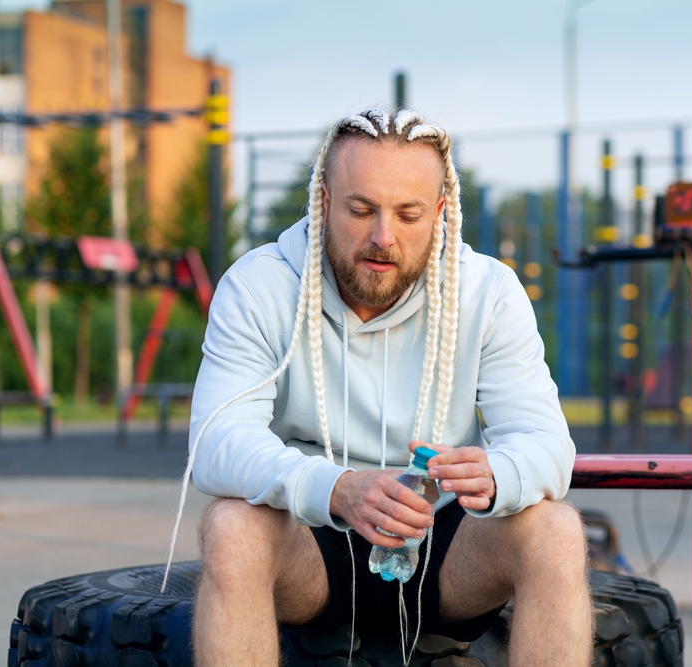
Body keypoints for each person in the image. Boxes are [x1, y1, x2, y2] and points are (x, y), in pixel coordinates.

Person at [184, 109, 591, 666]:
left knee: (557, 531)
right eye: (361, 210)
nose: (383, 236)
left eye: (408, 214)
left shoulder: (489, 292)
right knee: (230, 527)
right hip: (311, 542)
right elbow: (215, 441)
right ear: (323, 202)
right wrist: (337, 488)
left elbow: (547, 444)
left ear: (440, 214)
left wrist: (500, 473)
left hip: (445, 545)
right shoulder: (258, 285)